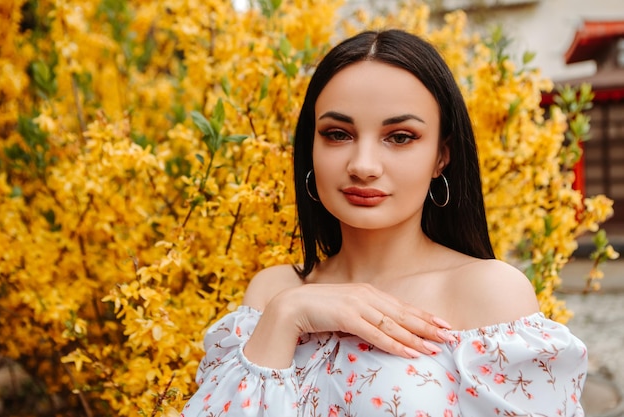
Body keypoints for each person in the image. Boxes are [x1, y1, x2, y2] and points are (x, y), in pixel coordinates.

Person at [181, 29, 587, 416]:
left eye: (400, 137)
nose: (363, 166)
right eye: (338, 134)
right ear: (311, 147)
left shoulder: (486, 293)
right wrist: (290, 312)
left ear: (442, 157)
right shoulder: (274, 292)